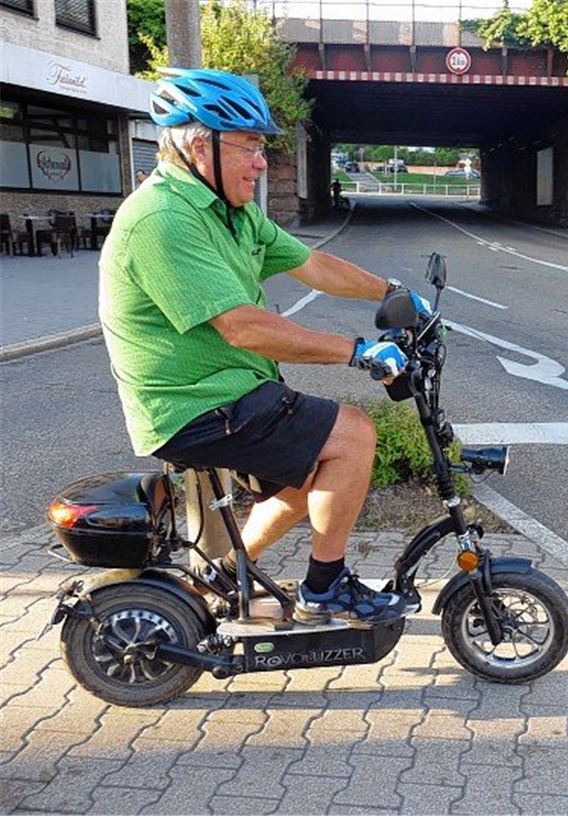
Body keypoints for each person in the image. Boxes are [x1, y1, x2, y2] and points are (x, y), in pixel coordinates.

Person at [99, 68, 434, 625]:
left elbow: (313, 264)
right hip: (191, 403)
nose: (262, 163)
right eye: (250, 147)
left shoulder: (232, 211)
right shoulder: (162, 219)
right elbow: (243, 328)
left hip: (231, 388)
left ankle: (221, 575)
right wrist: (358, 351)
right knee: (352, 435)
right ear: (200, 147)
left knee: (305, 474)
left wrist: (394, 293)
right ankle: (325, 587)